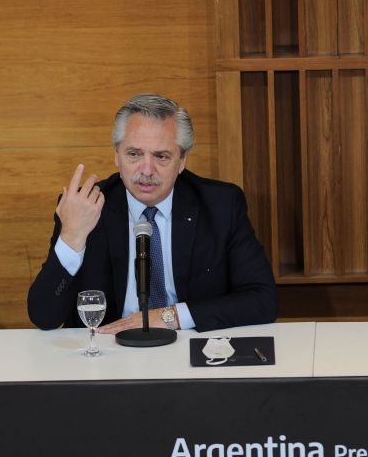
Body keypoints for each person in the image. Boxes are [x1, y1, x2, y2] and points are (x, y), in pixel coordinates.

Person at [28, 94, 278, 333]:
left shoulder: (221, 205)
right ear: (117, 155)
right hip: (108, 353)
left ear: (182, 161)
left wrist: (171, 317)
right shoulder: (85, 207)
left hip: (187, 347)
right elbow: (44, 316)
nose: (146, 170)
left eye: (161, 156)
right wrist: (72, 238)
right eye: (134, 154)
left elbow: (263, 300)